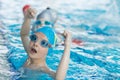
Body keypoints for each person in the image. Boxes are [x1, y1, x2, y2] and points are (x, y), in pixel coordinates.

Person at [20, 5, 72, 80]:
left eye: (43, 43)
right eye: (34, 38)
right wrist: (27, 18)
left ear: (49, 50)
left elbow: (59, 78)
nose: (36, 43)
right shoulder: (29, 54)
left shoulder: (43, 69)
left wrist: (67, 46)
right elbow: (24, 35)